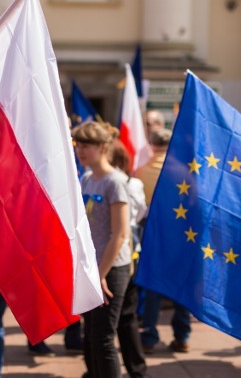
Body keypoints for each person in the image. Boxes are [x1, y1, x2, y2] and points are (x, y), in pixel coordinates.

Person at [73, 121, 131, 378]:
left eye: (87, 145)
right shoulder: (86, 178)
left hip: (111, 268)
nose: (80, 151)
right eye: (78, 145)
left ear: (103, 147)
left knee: (104, 337)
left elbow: (119, 235)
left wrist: (101, 273)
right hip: (90, 268)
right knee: (91, 336)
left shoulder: (115, 182)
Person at [135, 128, 192, 354]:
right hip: (181, 232)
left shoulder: (141, 171)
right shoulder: (185, 172)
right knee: (181, 283)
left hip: (153, 231)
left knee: (152, 283)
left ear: (152, 144)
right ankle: (182, 336)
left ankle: (149, 336)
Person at [110, 140, 148, 378]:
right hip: (126, 252)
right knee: (125, 316)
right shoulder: (132, 183)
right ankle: (137, 369)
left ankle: (134, 368)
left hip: (122, 255)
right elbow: (141, 211)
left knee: (120, 317)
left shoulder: (121, 183)